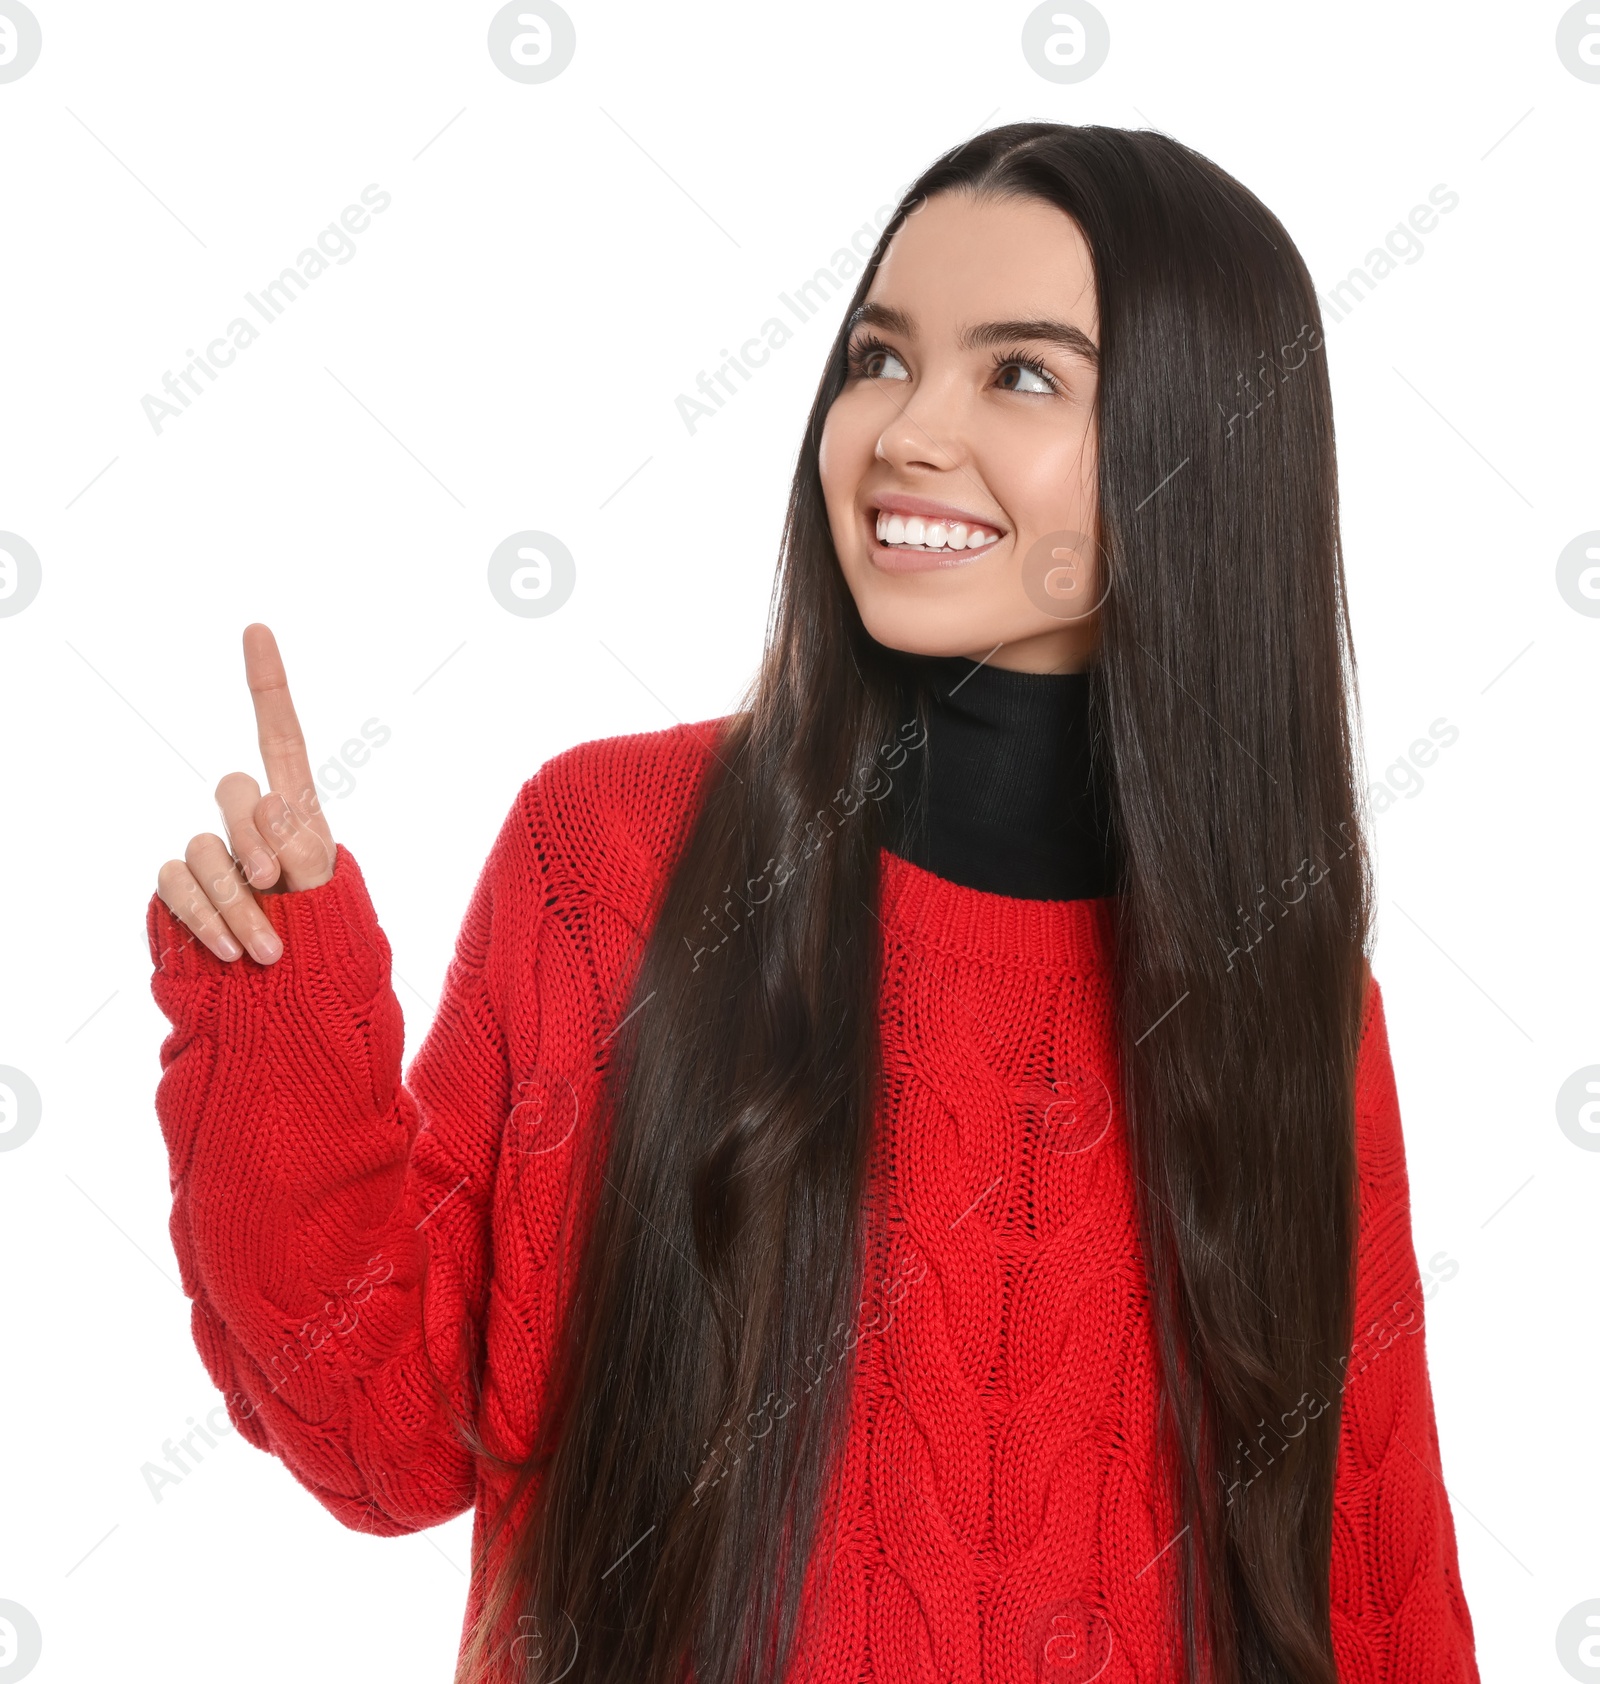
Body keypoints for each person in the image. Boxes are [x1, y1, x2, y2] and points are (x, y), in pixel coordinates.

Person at [147, 122, 1480, 1683]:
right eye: (879, 358)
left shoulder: (1291, 1010)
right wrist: (274, 990)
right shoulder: (613, 857)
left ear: (1204, 455)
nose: (906, 430)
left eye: (1022, 374)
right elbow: (380, 1429)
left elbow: (1376, 1600)